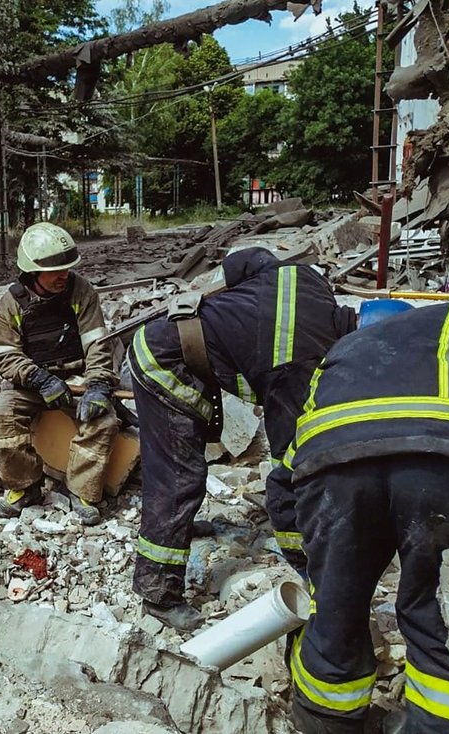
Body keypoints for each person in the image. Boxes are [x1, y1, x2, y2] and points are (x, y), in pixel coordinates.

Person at [126, 247, 356, 630]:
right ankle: (157, 593)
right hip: (164, 361)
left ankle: (176, 527)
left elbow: (242, 260)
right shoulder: (300, 365)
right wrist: (305, 560)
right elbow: (287, 474)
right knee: (180, 478)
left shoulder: (310, 281)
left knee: (183, 470)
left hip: (173, 339)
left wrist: (237, 315)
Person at [283, 299, 449, 734]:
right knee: (436, 610)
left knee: (335, 607)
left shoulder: (339, 354)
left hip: (333, 467)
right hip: (443, 459)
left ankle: (325, 722)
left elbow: (289, 470)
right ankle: (437, 724)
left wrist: (308, 559)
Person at [0, 222, 119, 526]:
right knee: (2, 412)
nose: (65, 275)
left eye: (68, 268)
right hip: (31, 382)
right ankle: (23, 488)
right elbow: (6, 357)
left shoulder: (81, 292)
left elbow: (98, 344)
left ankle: (82, 490)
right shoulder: (11, 304)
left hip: (77, 377)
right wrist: (40, 380)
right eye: (56, 270)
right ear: (33, 271)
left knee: (104, 420)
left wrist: (98, 384)